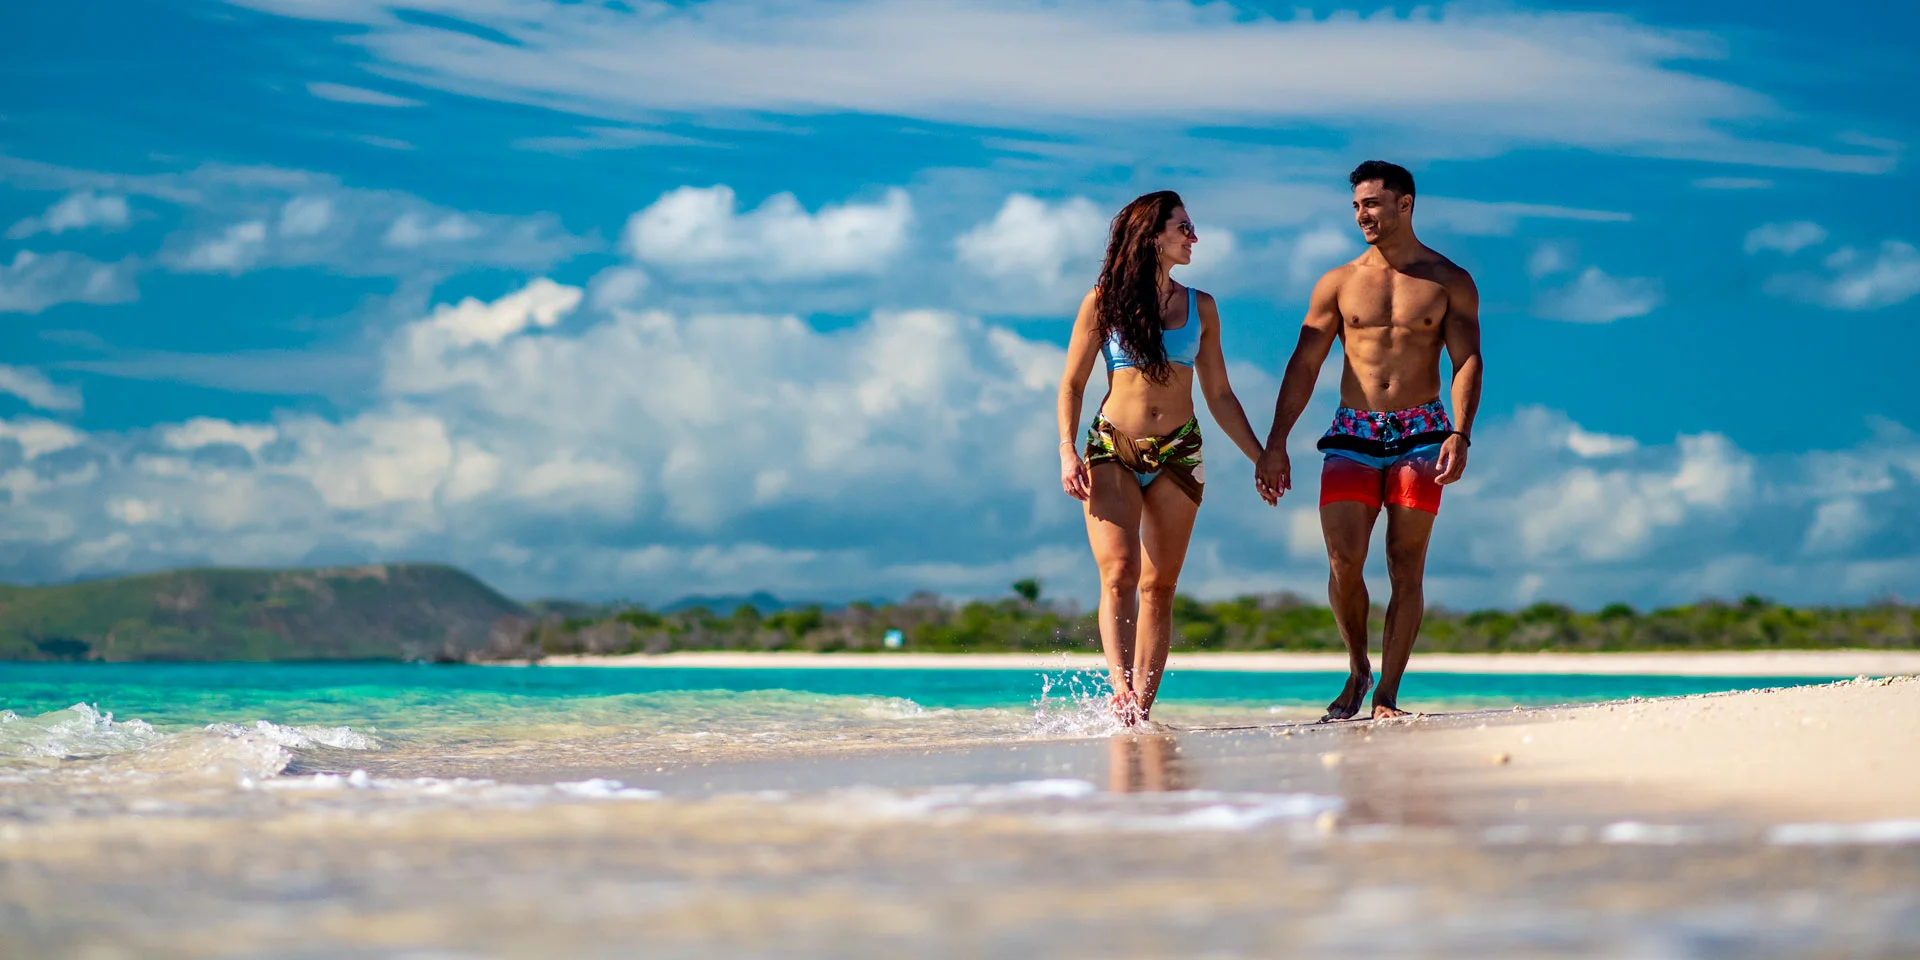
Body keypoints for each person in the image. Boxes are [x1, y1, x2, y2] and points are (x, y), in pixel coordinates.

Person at [1253, 161, 1484, 721]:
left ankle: (1386, 696)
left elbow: (1467, 360)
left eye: (1373, 204)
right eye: (1357, 205)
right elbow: (1305, 364)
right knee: (1343, 562)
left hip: (1422, 432)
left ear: (1405, 204)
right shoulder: (1338, 283)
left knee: (1406, 564)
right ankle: (1358, 667)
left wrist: (1460, 431)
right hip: (1352, 432)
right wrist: (1276, 441)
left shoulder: (1448, 280)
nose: (1362, 215)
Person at [1057, 191, 1266, 727]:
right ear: (1153, 236)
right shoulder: (1102, 302)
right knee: (1121, 573)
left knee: (1159, 586)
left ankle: (1140, 714)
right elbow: (1073, 383)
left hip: (1179, 451)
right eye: (1183, 228)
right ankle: (1120, 690)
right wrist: (1066, 450)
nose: (1194, 237)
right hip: (1113, 447)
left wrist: (1260, 456)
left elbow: (1220, 394)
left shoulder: (1202, 307)